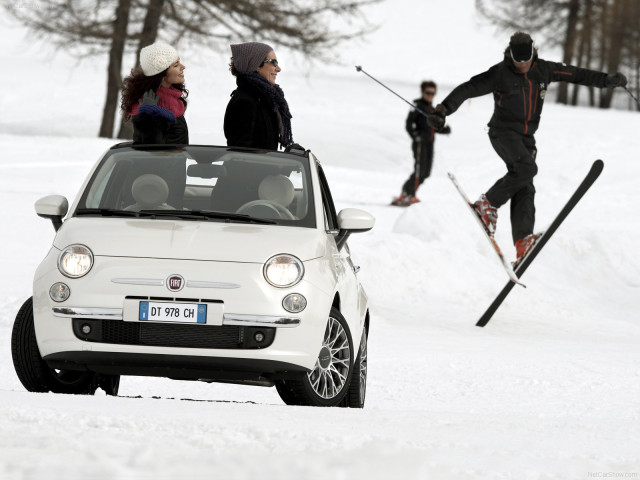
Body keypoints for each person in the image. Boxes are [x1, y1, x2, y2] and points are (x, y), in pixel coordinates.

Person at [427, 31, 627, 264]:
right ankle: (487, 204)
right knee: (526, 169)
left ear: (533, 54)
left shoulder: (545, 70)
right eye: (517, 60)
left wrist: (605, 80)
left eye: (526, 60)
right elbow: (468, 88)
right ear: (510, 55)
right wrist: (443, 110)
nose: (522, 65)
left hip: (526, 138)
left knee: (525, 184)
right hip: (502, 133)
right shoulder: (500, 73)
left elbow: (576, 74)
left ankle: (522, 242)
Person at [224, 42, 294, 150]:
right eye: (274, 62)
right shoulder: (245, 102)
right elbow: (239, 154)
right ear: (256, 65)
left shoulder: (264, 99)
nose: (278, 68)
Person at [391, 80, 451, 206]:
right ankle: (406, 194)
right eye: (428, 92)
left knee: (426, 172)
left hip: (429, 144)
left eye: (433, 93)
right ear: (422, 92)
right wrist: (415, 136)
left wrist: (443, 130)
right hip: (419, 143)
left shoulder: (433, 109)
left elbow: (433, 127)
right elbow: (409, 124)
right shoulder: (416, 105)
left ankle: (410, 194)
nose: (430, 95)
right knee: (419, 171)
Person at [120, 42, 189, 144]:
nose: (183, 67)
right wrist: (147, 117)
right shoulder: (148, 108)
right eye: (176, 65)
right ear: (162, 74)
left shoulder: (174, 102)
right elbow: (151, 152)